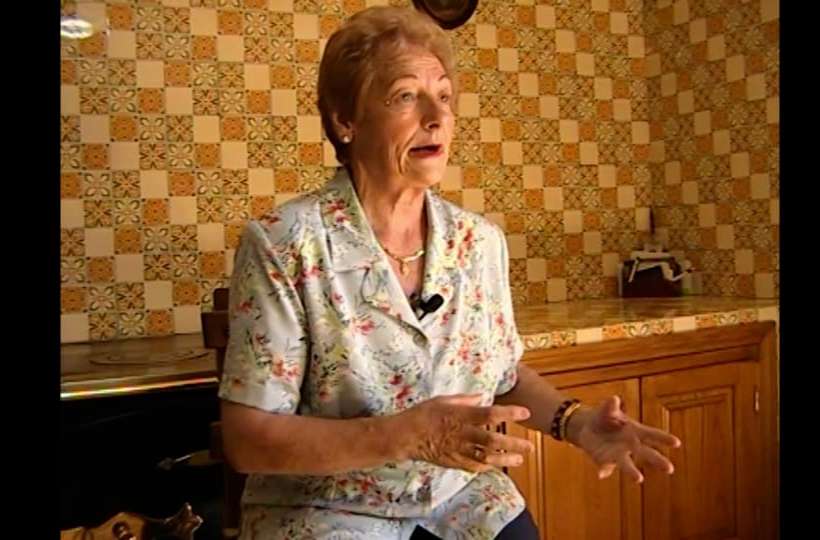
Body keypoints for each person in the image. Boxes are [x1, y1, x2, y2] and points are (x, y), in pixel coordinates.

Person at [218, 5, 681, 540]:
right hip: (329, 508)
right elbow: (248, 438)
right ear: (346, 120)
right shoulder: (284, 242)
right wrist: (406, 436)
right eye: (405, 96)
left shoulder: (478, 242)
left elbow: (503, 377)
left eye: (443, 96)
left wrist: (576, 422)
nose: (435, 116)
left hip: (462, 499)